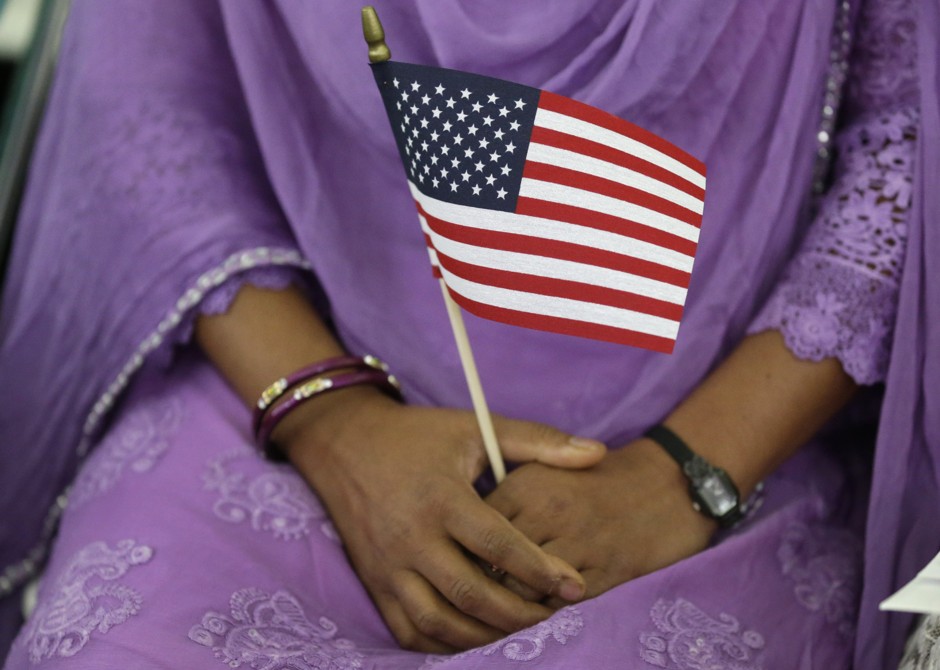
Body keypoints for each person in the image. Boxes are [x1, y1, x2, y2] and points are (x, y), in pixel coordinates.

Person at [0, 0, 937, 668]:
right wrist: (331, 422)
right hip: (278, 386)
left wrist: (688, 478)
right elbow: (149, 119)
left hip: (741, 439)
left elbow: (909, 141)